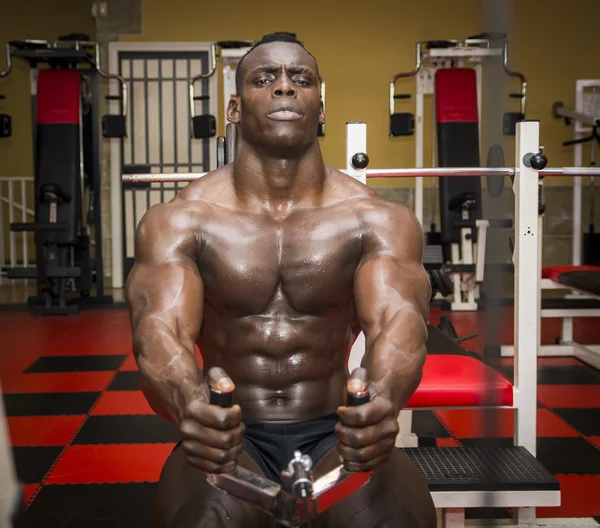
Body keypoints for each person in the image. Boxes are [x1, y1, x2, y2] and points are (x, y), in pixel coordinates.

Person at [125, 32, 436, 528]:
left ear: (321, 107)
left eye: (302, 79)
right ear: (234, 107)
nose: (285, 88)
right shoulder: (181, 220)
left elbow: (399, 322)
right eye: (264, 79)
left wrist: (381, 398)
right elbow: (159, 332)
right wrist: (192, 404)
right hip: (230, 438)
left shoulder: (376, 219)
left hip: (338, 434)